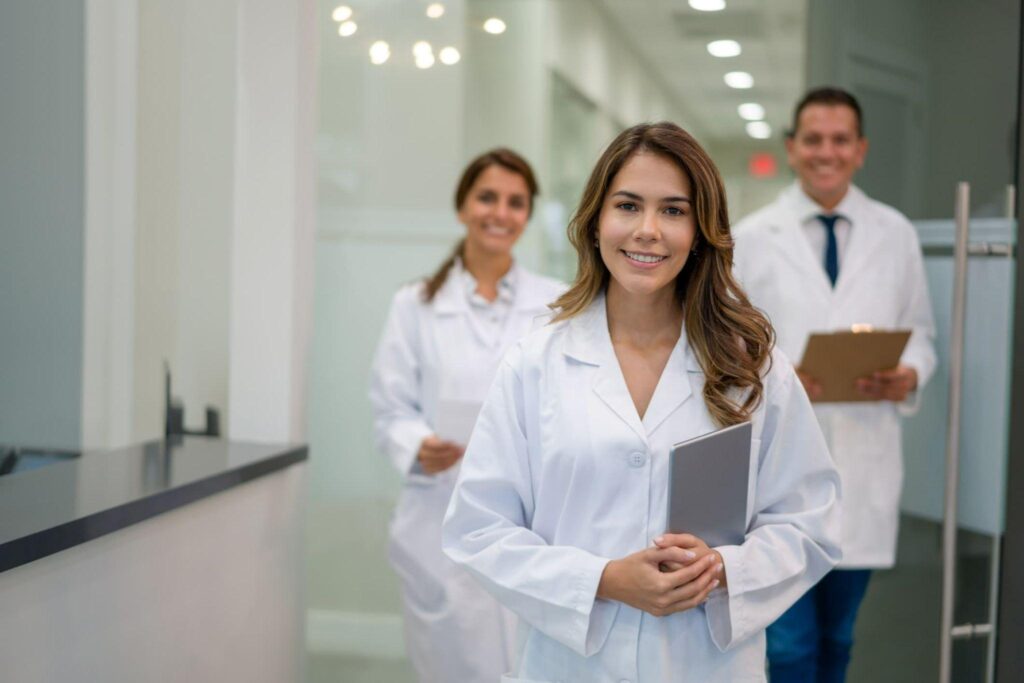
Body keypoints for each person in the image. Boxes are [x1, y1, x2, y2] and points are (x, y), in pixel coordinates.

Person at [442, 122, 841, 683]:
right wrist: (602, 580)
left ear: (702, 230)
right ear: (596, 220)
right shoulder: (536, 362)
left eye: (674, 211)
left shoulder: (753, 366)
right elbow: (478, 529)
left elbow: (809, 518)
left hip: (705, 665)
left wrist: (725, 568)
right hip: (571, 668)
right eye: (628, 205)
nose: (648, 231)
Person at [732, 87, 937, 682]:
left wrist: (909, 373)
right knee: (790, 645)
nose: (827, 152)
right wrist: (777, 376)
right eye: (813, 140)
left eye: (840, 139)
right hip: (778, 472)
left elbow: (920, 333)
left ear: (861, 149)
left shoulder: (894, 233)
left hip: (863, 465)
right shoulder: (752, 236)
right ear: (792, 149)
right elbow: (722, 346)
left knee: (838, 638)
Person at [369, 148, 565, 683]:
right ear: (462, 208)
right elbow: (389, 407)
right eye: (487, 198)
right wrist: (417, 444)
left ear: (527, 215)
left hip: (528, 520)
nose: (500, 213)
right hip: (440, 516)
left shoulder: (557, 304)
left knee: (527, 663)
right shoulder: (415, 304)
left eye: (515, 202)